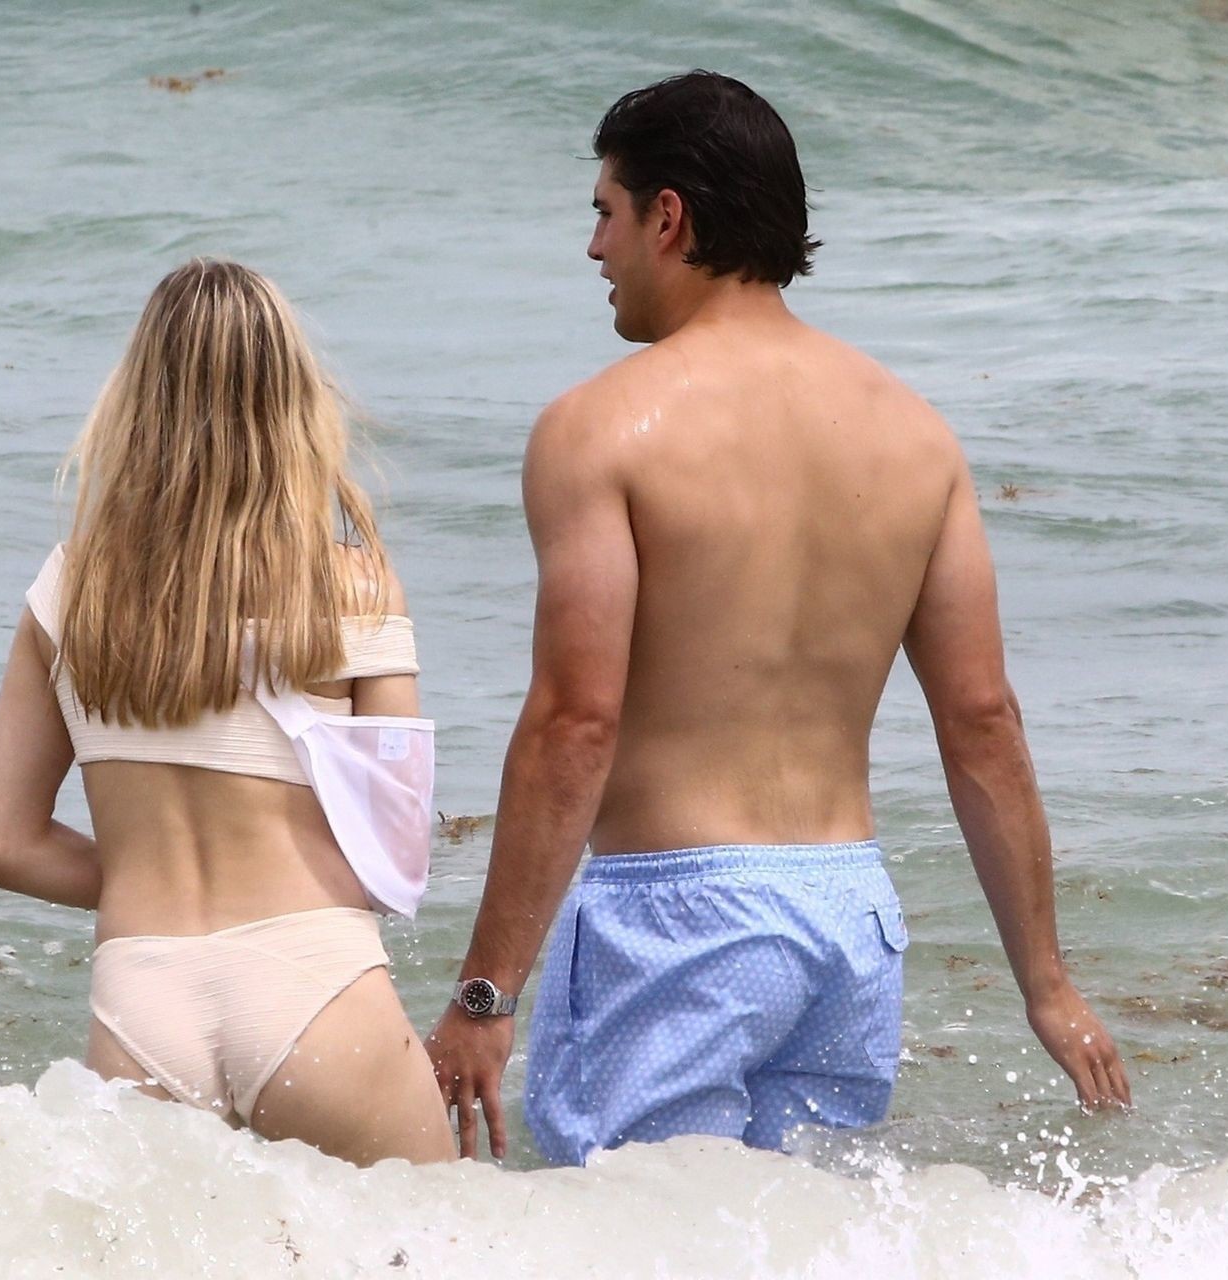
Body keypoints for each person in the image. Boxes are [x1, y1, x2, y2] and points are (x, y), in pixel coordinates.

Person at [425, 72, 1131, 1165]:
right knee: (795, 1232)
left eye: (605, 212)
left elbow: (575, 721)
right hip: (848, 920)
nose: (595, 248)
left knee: (637, 1229)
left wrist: (486, 993)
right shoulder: (917, 435)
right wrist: (1048, 985)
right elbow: (983, 720)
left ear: (668, 217)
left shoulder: (599, 430)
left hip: (677, 922)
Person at [0, 259, 454, 1166]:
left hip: (143, 992)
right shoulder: (354, 586)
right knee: (439, 1235)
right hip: (313, 980)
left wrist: (141, 873)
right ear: (293, 401)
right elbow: (396, 843)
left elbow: (5, 846)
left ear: (137, 400)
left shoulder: (68, 592)